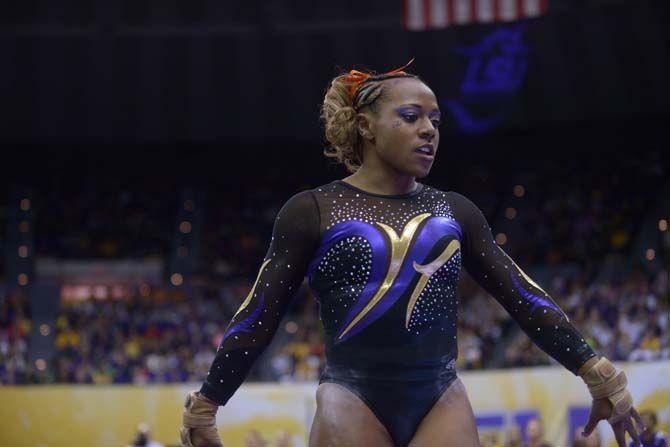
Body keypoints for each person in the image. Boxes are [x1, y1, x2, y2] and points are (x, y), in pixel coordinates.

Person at [179, 60, 644, 447]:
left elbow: (521, 295)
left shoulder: (454, 210)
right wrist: (207, 404)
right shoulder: (312, 211)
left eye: (436, 121)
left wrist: (595, 371)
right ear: (366, 126)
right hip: (351, 392)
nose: (429, 131)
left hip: (438, 392)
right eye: (411, 117)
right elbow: (259, 314)